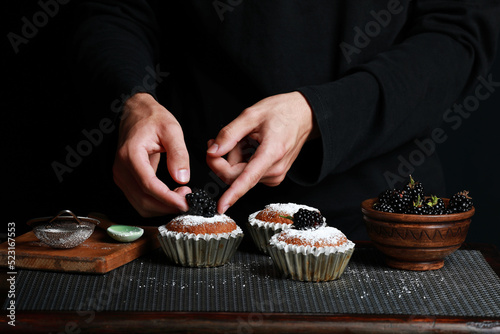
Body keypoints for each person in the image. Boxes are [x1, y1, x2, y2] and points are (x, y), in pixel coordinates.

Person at [71, 0, 500, 240]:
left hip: (374, 225)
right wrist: (132, 100)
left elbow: (459, 32)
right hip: (182, 211)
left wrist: (319, 114)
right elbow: (114, 11)